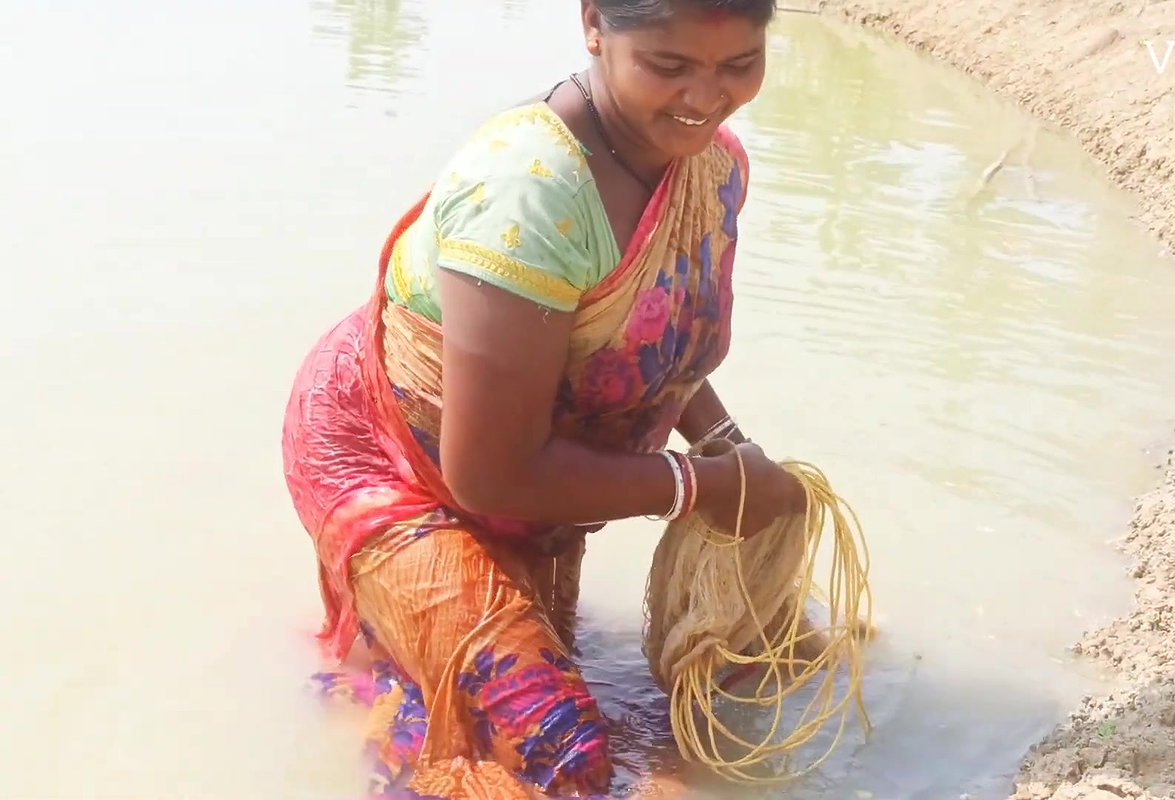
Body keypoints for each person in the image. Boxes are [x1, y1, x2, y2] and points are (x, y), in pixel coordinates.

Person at [280, 0, 805, 797]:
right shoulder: (527, 194)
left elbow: (653, 338)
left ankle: (402, 658)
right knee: (561, 755)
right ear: (593, 23)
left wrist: (726, 445)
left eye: (739, 64)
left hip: (538, 460)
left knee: (552, 680)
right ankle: (385, 659)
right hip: (391, 452)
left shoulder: (712, 164)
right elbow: (490, 474)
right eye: (669, 66)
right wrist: (703, 486)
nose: (706, 98)